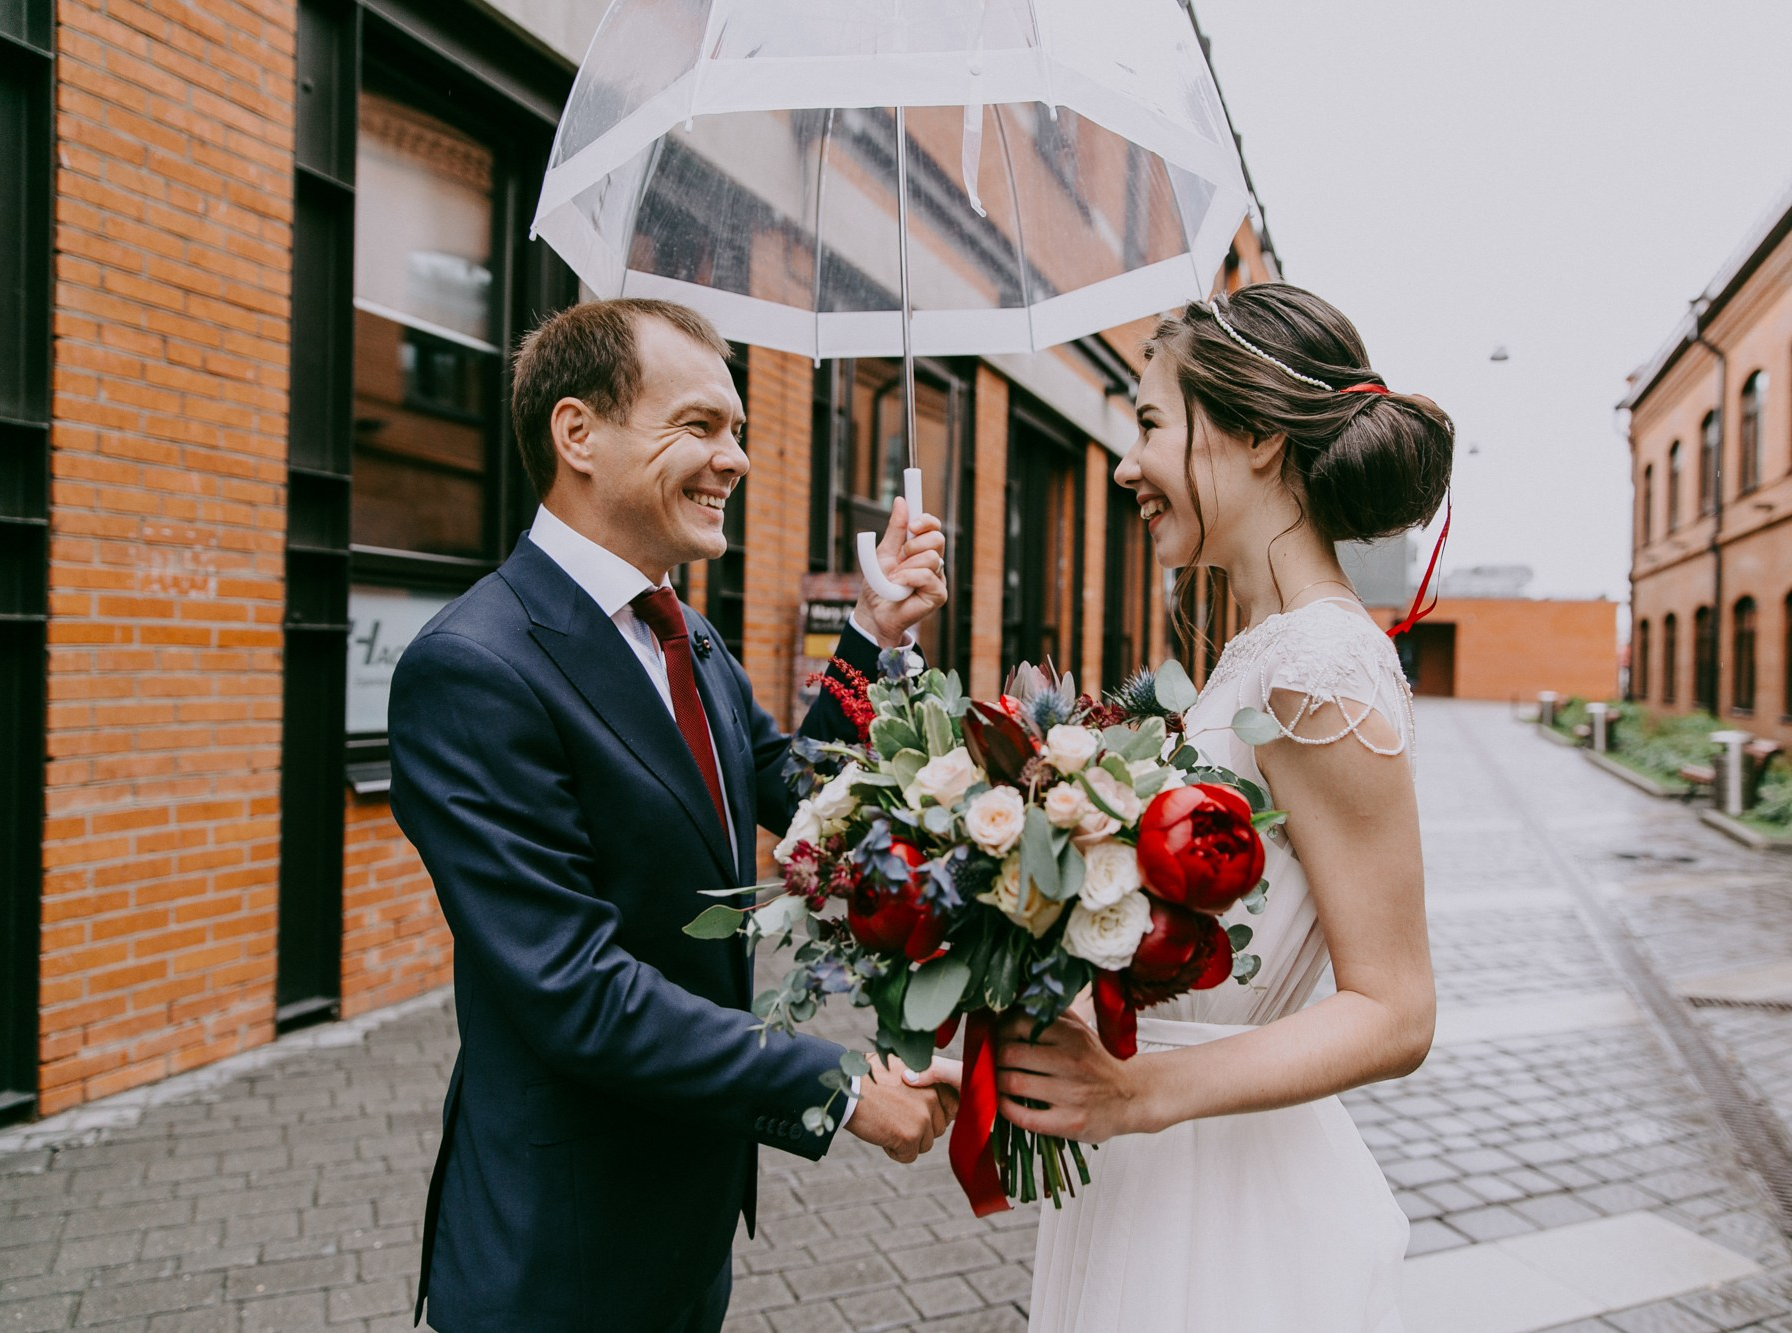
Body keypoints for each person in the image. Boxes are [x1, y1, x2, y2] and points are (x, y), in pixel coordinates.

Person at [388, 298, 957, 1333]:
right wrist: (836, 1085)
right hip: (561, 1246)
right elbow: (573, 988)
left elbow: (799, 791)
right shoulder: (471, 669)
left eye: (736, 429)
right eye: (699, 425)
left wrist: (874, 632)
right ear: (577, 433)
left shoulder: (684, 631)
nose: (733, 458)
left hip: (688, 1218)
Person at [998, 283, 1451, 1330]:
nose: (1126, 465)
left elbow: (1395, 1010)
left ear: (1254, 436)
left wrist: (1140, 1094)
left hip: (1219, 1191)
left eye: (1151, 425)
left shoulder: (1320, 668)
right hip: (1162, 1156)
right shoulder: (1261, 652)